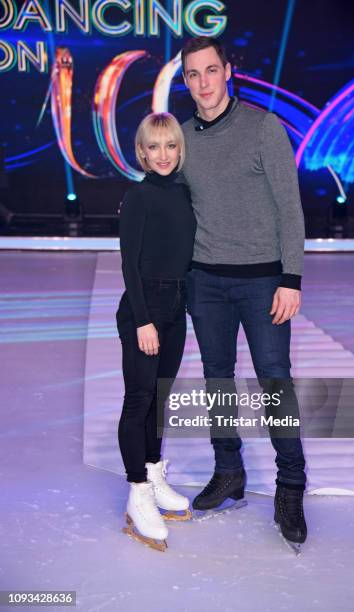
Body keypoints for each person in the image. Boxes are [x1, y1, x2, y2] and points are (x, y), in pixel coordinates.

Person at [180, 36, 307, 546]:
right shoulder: (183, 137)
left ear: (228, 71)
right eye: (193, 74)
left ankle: (291, 485)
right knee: (217, 379)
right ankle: (229, 472)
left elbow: (290, 208)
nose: (204, 82)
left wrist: (290, 278)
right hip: (205, 282)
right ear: (185, 81)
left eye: (211, 70)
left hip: (262, 283)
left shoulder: (261, 127)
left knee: (275, 381)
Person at [116, 112, 196, 551]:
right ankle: (137, 493)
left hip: (176, 308)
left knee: (160, 398)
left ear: (178, 150)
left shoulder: (184, 194)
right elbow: (129, 263)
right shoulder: (139, 196)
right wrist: (144, 320)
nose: (162, 155)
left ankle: (153, 471)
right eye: (153, 147)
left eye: (169, 146)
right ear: (142, 152)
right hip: (143, 309)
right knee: (139, 398)